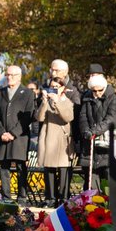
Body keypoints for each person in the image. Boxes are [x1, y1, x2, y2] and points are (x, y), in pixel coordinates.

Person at [36, 61, 77, 205]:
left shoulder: (67, 101)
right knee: (49, 170)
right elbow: (39, 117)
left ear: (62, 89)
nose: (53, 89)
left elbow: (68, 117)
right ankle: (50, 197)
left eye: (56, 87)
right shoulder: (46, 101)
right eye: (52, 87)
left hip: (62, 139)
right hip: (48, 138)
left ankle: (63, 197)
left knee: (63, 170)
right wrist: (44, 102)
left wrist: (58, 101)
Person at [0, 64, 35, 201]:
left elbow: (28, 116)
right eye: (8, 75)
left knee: (21, 167)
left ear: (19, 77)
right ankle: (6, 197)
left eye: (13, 75)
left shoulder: (28, 93)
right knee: (4, 167)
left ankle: (22, 196)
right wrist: (1, 132)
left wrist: (13, 133)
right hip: (2, 136)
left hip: (19, 137)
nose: (9, 77)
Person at [78, 72, 116, 191]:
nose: (97, 94)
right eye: (94, 91)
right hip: (90, 145)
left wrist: (95, 131)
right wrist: (86, 131)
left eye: (99, 90)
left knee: (108, 180)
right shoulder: (87, 97)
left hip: (106, 145)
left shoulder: (112, 97)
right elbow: (83, 117)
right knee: (91, 181)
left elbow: (111, 118)